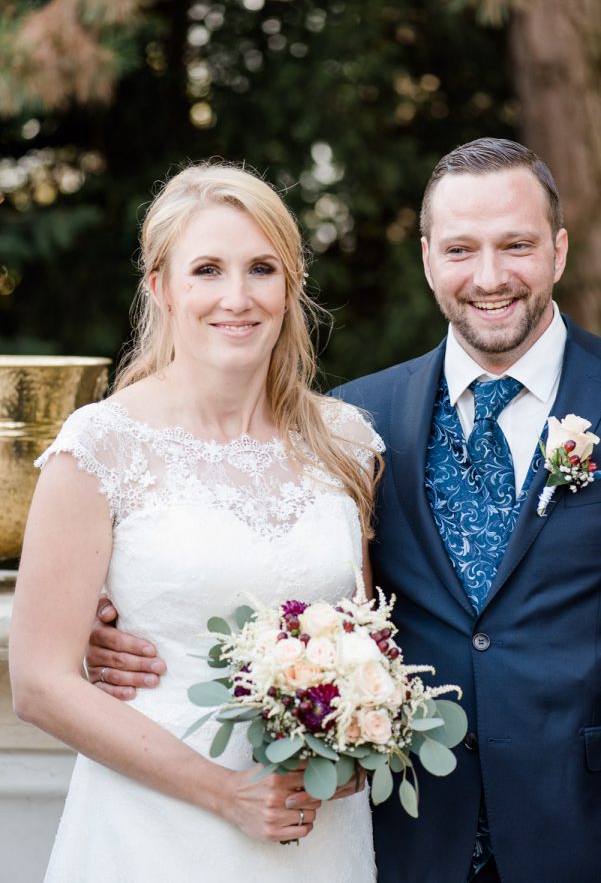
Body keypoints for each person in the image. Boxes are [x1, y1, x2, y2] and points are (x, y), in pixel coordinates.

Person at [91, 138, 601, 883]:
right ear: (427, 258)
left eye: (516, 245)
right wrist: (113, 611)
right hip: (405, 837)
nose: (489, 276)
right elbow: (304, 582)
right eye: (460, 249)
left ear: (557, 250)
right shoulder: (354, 424)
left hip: (579, 825)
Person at [9, 163, 384, 882]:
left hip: (317, 828)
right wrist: (227, 793)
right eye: (207, 270)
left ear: (290, 287)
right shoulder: (101, 446)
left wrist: (363, 742)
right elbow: (40, 682)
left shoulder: (346, 443)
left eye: (261, 269)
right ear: (161, 288)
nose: (236, 297)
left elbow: (367, 639)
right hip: (155, 828)